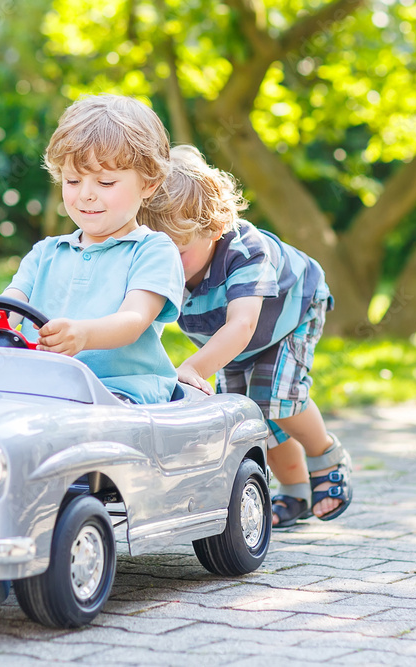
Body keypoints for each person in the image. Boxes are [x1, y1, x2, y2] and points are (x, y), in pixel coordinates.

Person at [0, 95, 184, 601]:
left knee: (61, 445)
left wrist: (85, 335)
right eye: (74, 182)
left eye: (105, 182)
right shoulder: (45, 253)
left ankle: (40, 539)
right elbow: (7, 306)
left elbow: (135, 319)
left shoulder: (152, 250)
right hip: (43, 394)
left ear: (149, 184)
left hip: (121, 395)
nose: (87, 196)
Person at [138, 145, 352, 528]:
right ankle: (294, 490)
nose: (168, 263)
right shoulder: (160, 260)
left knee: (276, 398)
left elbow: (242, 325)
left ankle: (326, 456)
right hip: (232, 342)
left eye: (179, 252)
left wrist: (194, 368)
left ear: (214, 229)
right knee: (253, 416)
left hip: (290, 314)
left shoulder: (244, 251)